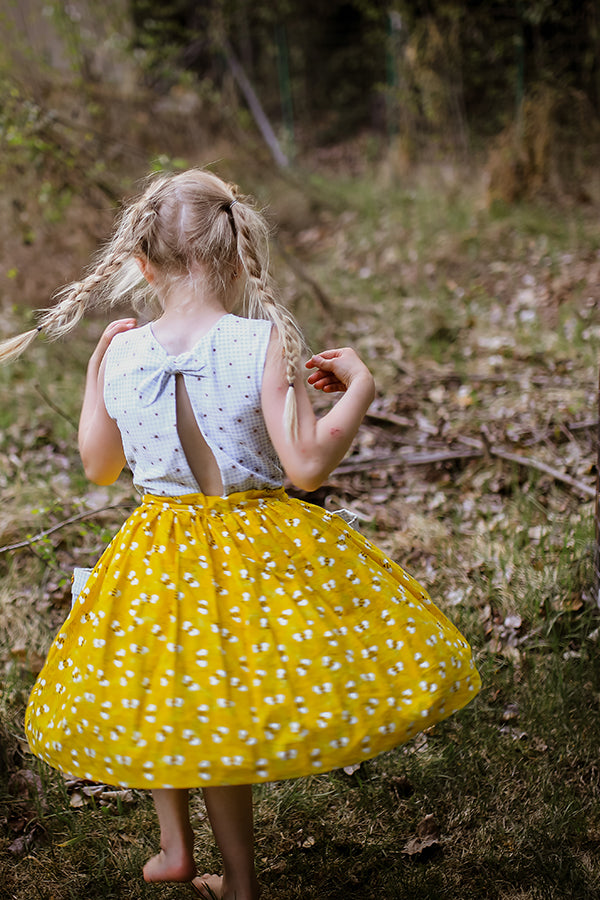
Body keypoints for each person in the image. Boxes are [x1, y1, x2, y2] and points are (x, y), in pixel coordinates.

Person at [0, 169, 481, 900]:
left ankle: (173, 848)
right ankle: (241, 879)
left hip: (157, 549)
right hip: (253, 548)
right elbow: (309, 467)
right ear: (236, 255)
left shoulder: (122, 352)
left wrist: (97, 367)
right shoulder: (260, 342)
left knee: (162, 694)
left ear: (140, 264)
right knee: (216, 711)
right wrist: (360, 391)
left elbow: (99, 467)